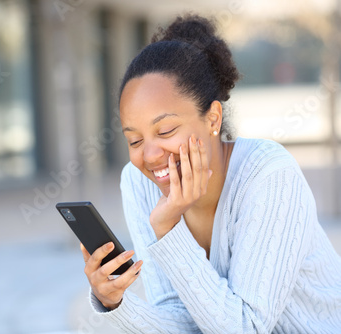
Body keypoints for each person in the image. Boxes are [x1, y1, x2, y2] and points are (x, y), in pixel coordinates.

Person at [79, 13, 341, 333]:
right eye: (134, 139)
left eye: (165, 130)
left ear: (213, 118)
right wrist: (113, 303)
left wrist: (169, 228)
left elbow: (246, 328)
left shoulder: (267, 175)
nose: (149, 155)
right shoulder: (139, 183)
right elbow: (183, 319)